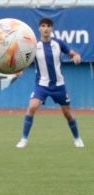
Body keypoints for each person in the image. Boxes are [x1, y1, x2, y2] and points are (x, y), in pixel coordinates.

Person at [16, 17, 84, 148]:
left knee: (67, 113)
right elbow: (25, 61)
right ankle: (24, 139)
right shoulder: (34, 46)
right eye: (43, 26)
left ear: (51, 29)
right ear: (39, 29)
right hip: (42, 85)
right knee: (32, 107)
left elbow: (73, 54)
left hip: (59, 86)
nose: (45, 28)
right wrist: (20, 70)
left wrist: (76, 57)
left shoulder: (58, 43)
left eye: (48, 26)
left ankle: (77, 138)